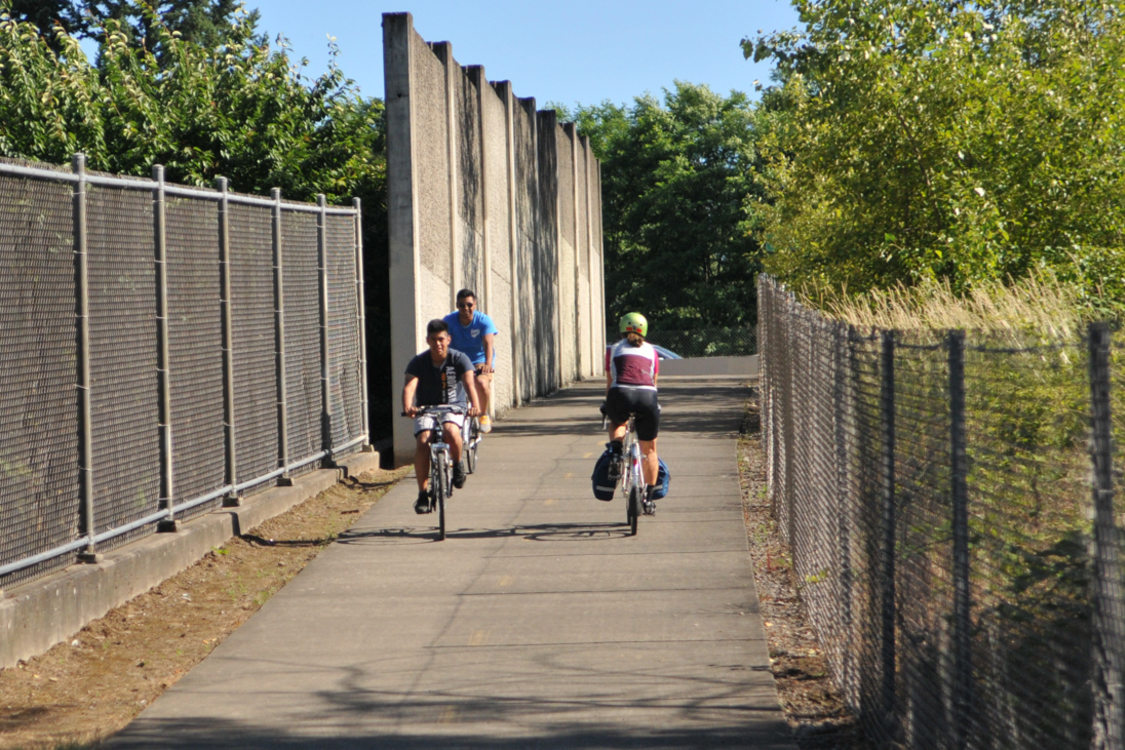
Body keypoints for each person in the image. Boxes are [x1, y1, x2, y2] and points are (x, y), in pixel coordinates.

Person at [402, 319, 481, 514]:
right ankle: (422, 494)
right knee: (423, 440)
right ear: (427, 340)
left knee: (450, 431)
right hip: (426, 408)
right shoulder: (419, 362)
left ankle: (457, 464)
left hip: (453, 407)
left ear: (448, 339)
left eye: (441, 339)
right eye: (434, 340)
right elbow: (410, 385)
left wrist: (475, 406)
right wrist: (408, 406)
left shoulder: (459, 359)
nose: (438, 344)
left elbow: (470, 384)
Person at [604, 312, 661, 503]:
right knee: (650, 449)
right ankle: (650, 498)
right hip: (647, 396)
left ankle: (616, 450)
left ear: (622, 329)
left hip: (621, 393)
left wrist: (608, 405)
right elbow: (653, 382)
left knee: (617, 421)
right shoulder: (651, 350)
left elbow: (611, 380)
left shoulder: (614, 349)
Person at [443, 288, 499, 433]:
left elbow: (488, 344)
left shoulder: (483, 320)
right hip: (458, 361)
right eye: (462, 305)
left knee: (481, 382)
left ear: (474, 305)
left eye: (469, 305)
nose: (466, 308)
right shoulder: (449, 321)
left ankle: (483, 414)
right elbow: (443, 343)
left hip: (479, 361)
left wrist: (487, 364)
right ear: (457, 305)